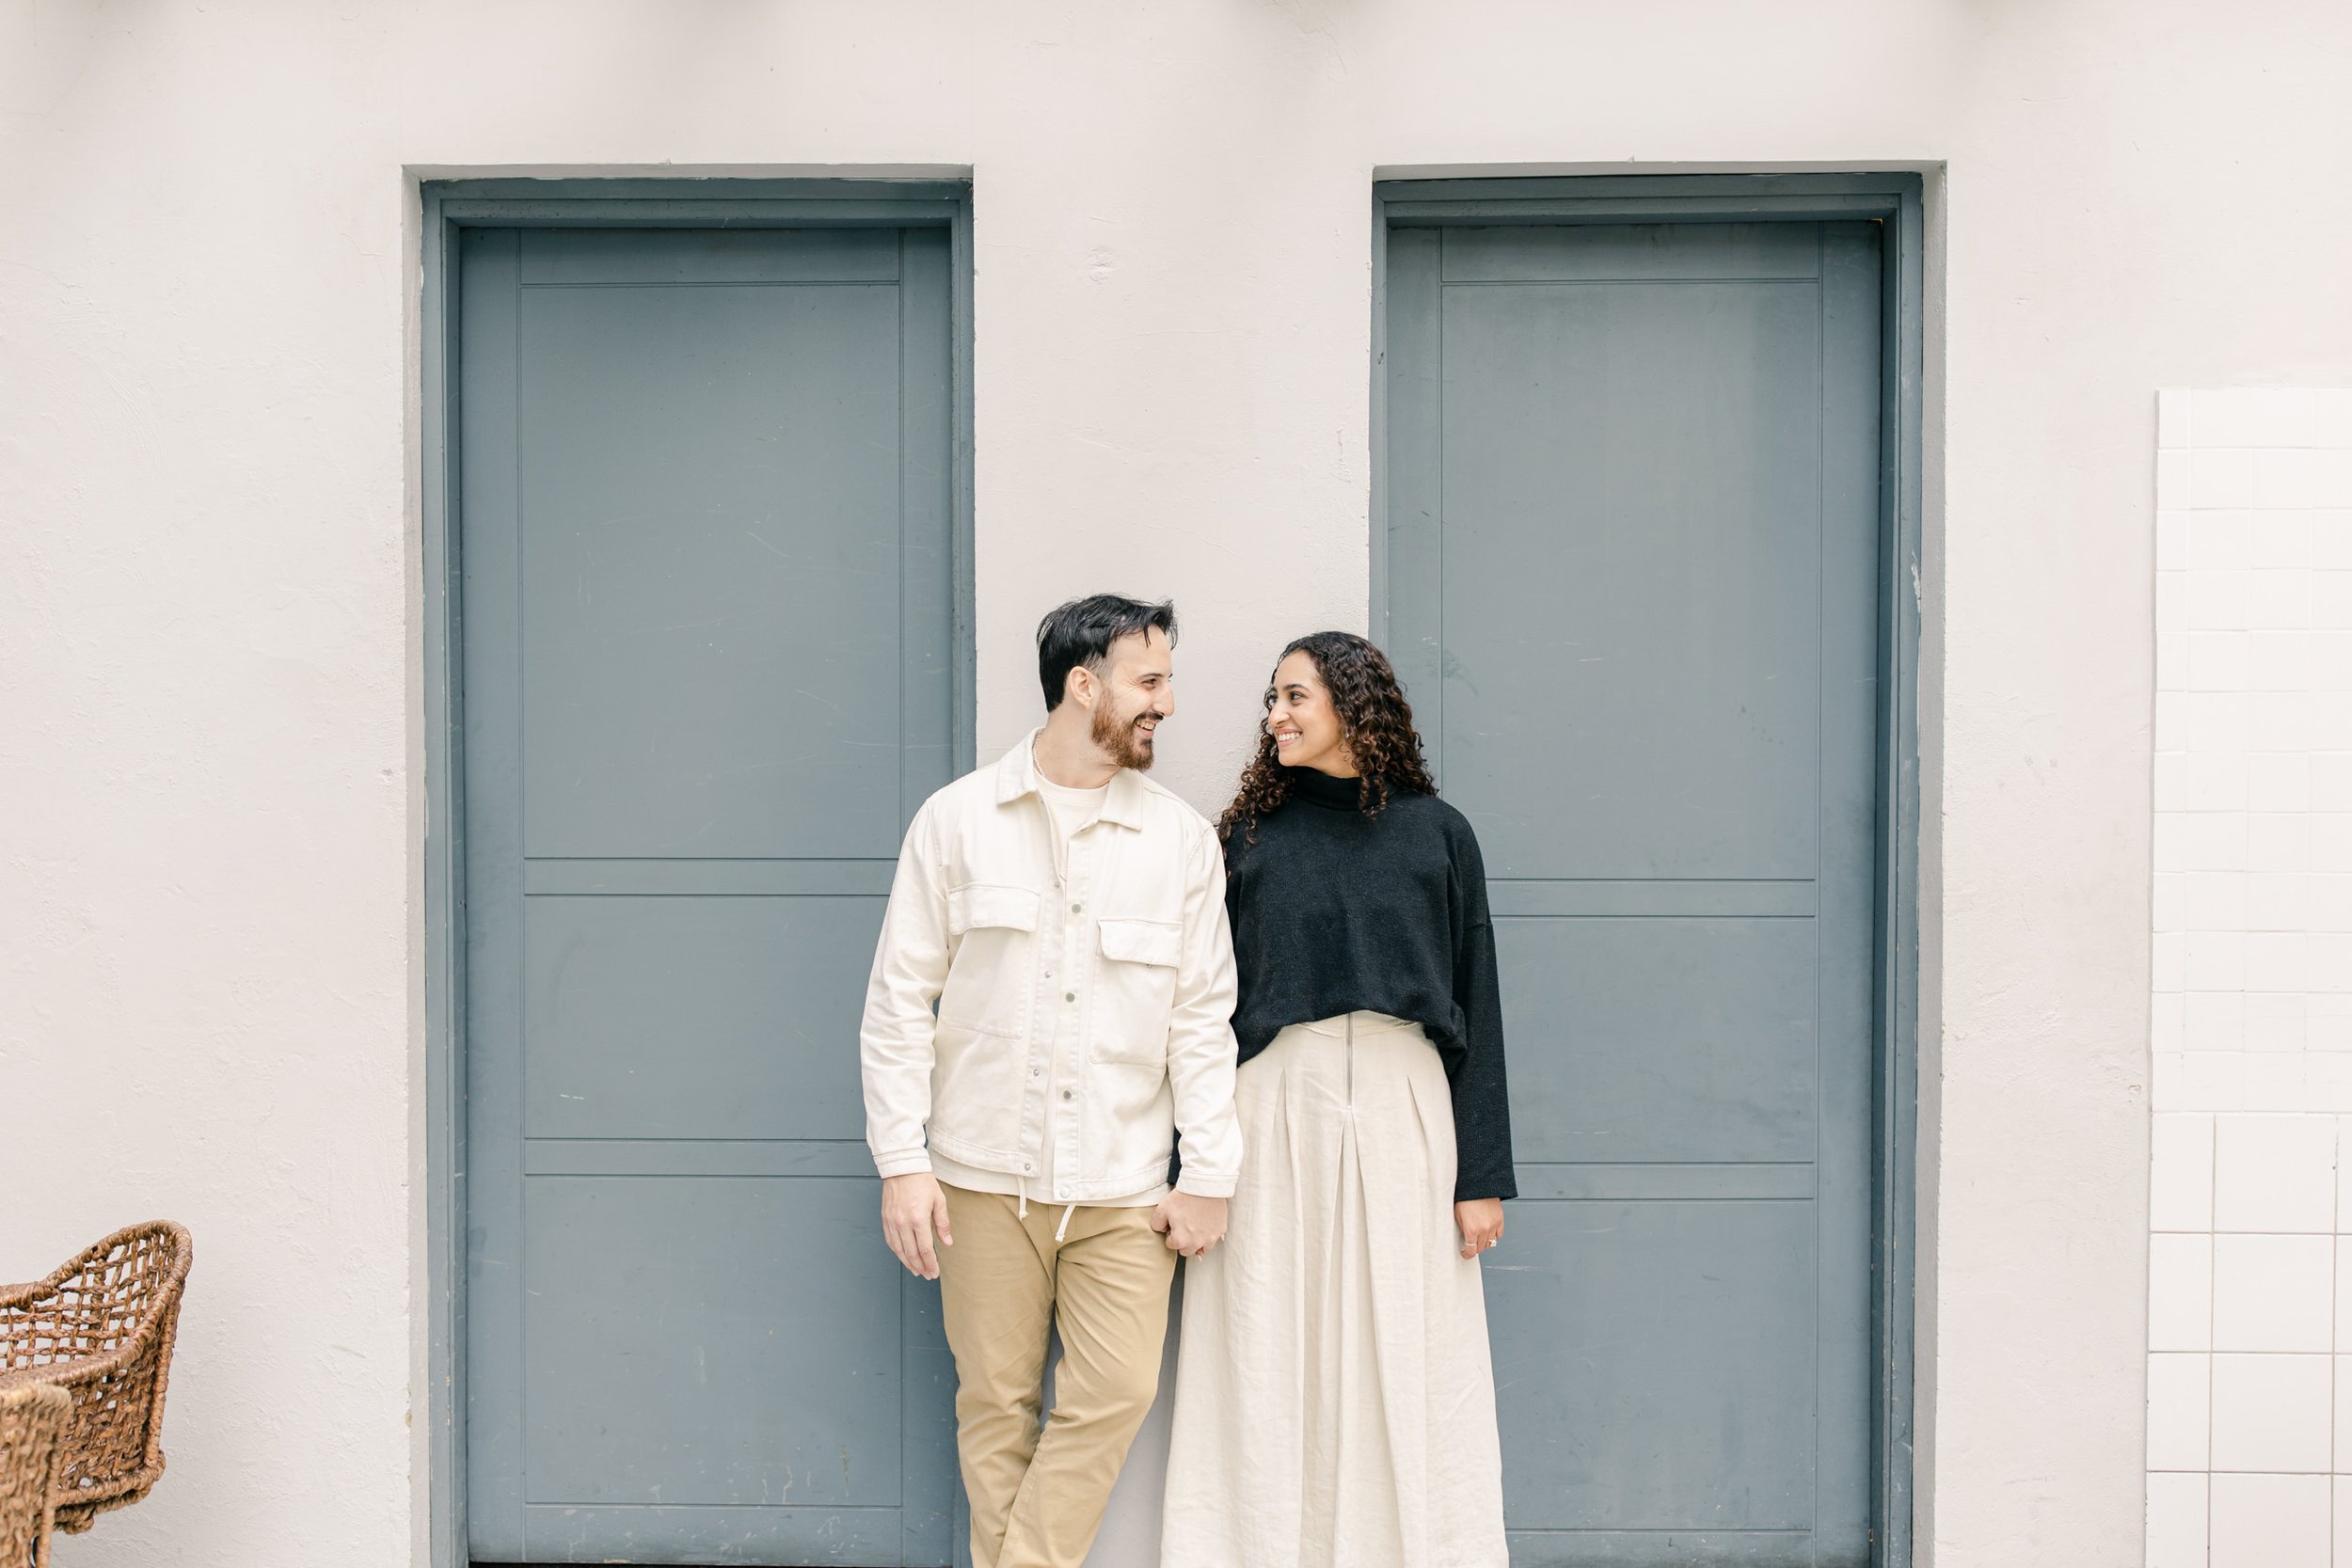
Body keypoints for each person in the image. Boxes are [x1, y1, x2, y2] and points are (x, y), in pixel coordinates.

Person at [859, 594, 1243, 1568]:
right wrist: (901, 1161)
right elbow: (901, 1000)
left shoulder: (1180, 841)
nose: (1165, 702)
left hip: (1122, 1188)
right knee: (993, 1400)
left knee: (1116, 1390)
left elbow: (1203, 1017)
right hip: (980, 1176)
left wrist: (1210, 1169)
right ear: (1085, 684)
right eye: (1148, 680)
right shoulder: (955, 821)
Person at [1161, 630, 1515, 1568]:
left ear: (1352, 705)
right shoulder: (1242, 836)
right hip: (1272, 1098)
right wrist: (1188, 1168)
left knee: (1407, 1334)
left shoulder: (1439, 832)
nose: (1274, 715)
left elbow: (1475, 1003)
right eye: (1270, 700)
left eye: (1293, 696)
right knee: (1264, 1334)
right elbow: (1195, 1012)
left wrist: (1479, 1175)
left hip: (1408, 1102)